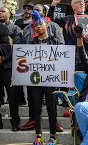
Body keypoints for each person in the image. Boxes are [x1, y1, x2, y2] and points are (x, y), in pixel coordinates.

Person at [31, 11, 59, 145]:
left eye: (40, 23)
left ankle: (53, 135)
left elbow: (62, 59)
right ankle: (38, 135)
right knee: (37, 107)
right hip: (36, 79)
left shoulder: (55, 41)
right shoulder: (32, 43)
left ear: (46, 25)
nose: (38, 26)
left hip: (51, 78)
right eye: (35, 24)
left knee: (51, 107)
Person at [0, 6, 22, 131]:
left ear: (9, 14)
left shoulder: (15, 28)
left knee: (12, 96)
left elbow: (16, 48)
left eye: (3, 11)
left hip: (9, 66)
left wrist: (3, 58)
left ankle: (15, 122)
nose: (1, 13)